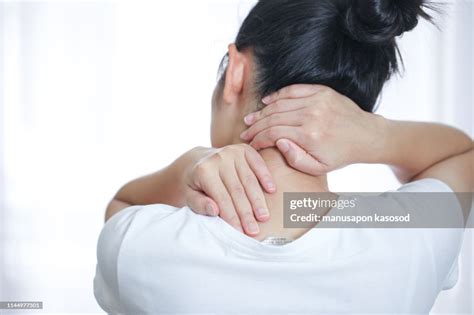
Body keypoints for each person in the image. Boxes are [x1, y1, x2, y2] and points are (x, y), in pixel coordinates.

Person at [94, 0, 473, 313]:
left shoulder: (144, 247)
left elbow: (120, 206)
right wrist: (377, 135)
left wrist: (186, 168)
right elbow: (463, 155)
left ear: (235, 72)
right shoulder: (408, 238)